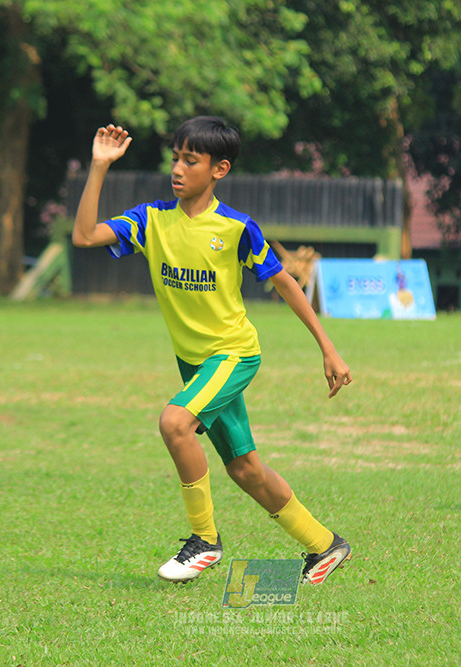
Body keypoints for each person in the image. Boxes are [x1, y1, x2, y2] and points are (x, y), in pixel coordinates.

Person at [72, 117, 353, 584]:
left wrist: (329, 348)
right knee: (245, 469)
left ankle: (205, 541)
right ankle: (325, 546)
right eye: (175, 158)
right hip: (194, 363)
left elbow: (285, 282)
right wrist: (99, 166)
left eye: (191, 160)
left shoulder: (237, 228)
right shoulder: (150, 220)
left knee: (174, 422)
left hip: (233, 355)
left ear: (219, 169)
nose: (177, 169)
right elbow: (84, 236)